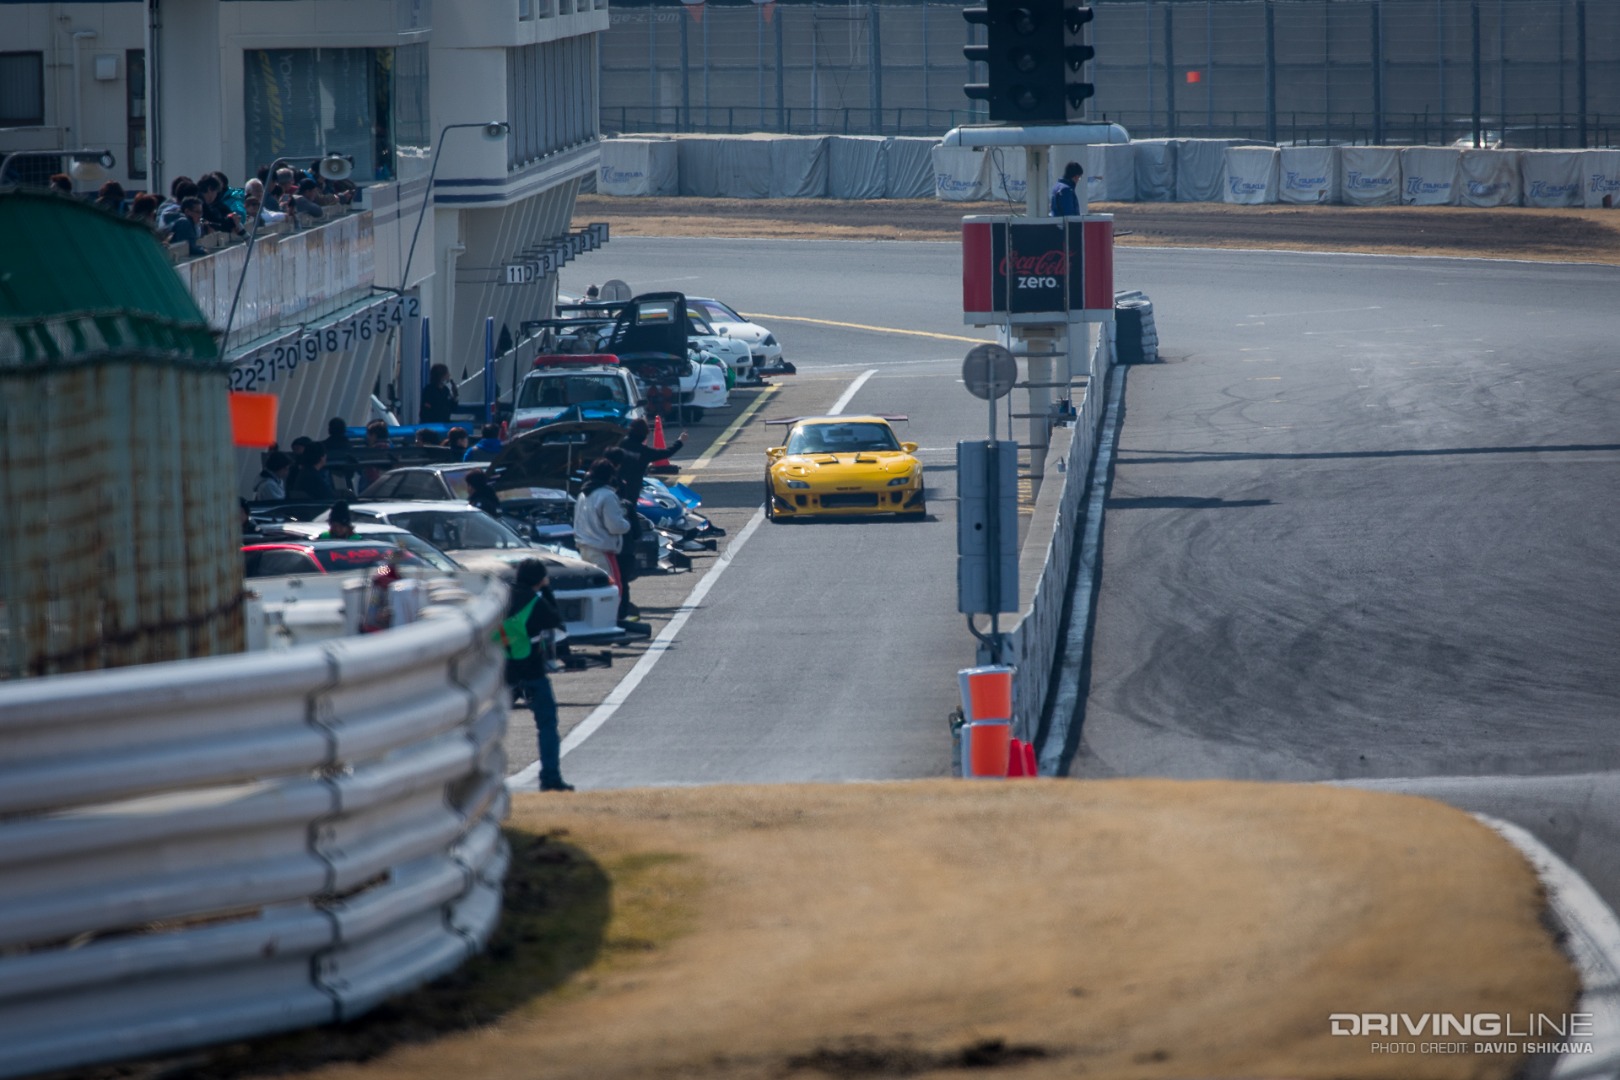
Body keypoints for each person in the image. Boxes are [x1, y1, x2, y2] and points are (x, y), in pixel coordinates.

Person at [500, 559, 571, 792]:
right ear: (541, 579)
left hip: (501, 672)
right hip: (531, 670)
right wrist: (546, 592)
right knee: (547, 724)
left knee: (490, 728)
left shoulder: (501, 597)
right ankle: (550, 778)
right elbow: (558, 624)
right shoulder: (536, 602)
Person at [572, 458, 631, 592]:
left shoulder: (582, 495)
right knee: (612, 589)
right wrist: (627, 524)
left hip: (583, 549)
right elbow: (615, 526)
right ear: (610, 476)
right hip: (601, 550)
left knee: (591, 591)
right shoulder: (607, 495)